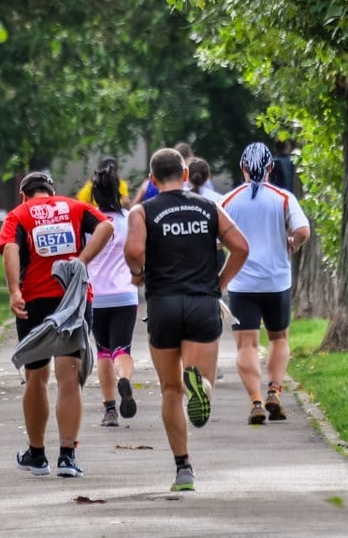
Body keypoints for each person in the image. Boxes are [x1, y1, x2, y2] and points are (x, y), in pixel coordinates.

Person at [124, 147, 248, 492]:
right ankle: (202, 388)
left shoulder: (142, 211)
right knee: (203, 378)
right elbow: (241, 246)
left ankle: (183, 469)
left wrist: (139, 273)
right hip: (202, 304)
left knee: (169, 389)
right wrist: (220, 284)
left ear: (151, 179)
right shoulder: (208, 206)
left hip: (163, 304)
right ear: (184, 174)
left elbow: (133, 252)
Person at [0, 171, 114, 478]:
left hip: (34, 301)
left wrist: (14, 292)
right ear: (51, 191)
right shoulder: (74, 207)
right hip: (73, 299)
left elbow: (10, 248)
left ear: (24, 195)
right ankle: (67, 457)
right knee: (69, 376)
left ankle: (37, 456)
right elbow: (106, 225)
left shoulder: (18, 214)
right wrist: (82, 260)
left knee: (36, 378)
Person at [221, 142, 310, 425]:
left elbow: (214, 239)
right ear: (271, 167)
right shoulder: (283, 198)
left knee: (246, 345)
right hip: (276, 281)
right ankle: (274, 390)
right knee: (278, 338)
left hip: (241, 283)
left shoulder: (227, 201)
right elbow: (303, 230)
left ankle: (256, 401)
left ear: (243, 168)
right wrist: (294, 241)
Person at [86, 162, 141, 427]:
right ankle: (125, 379)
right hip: (125, 294)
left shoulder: (89, 222)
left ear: (94, 194)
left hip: (96, 296)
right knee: (122, 348)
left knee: (103, 351)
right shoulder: (130, 220)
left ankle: (110, 410)